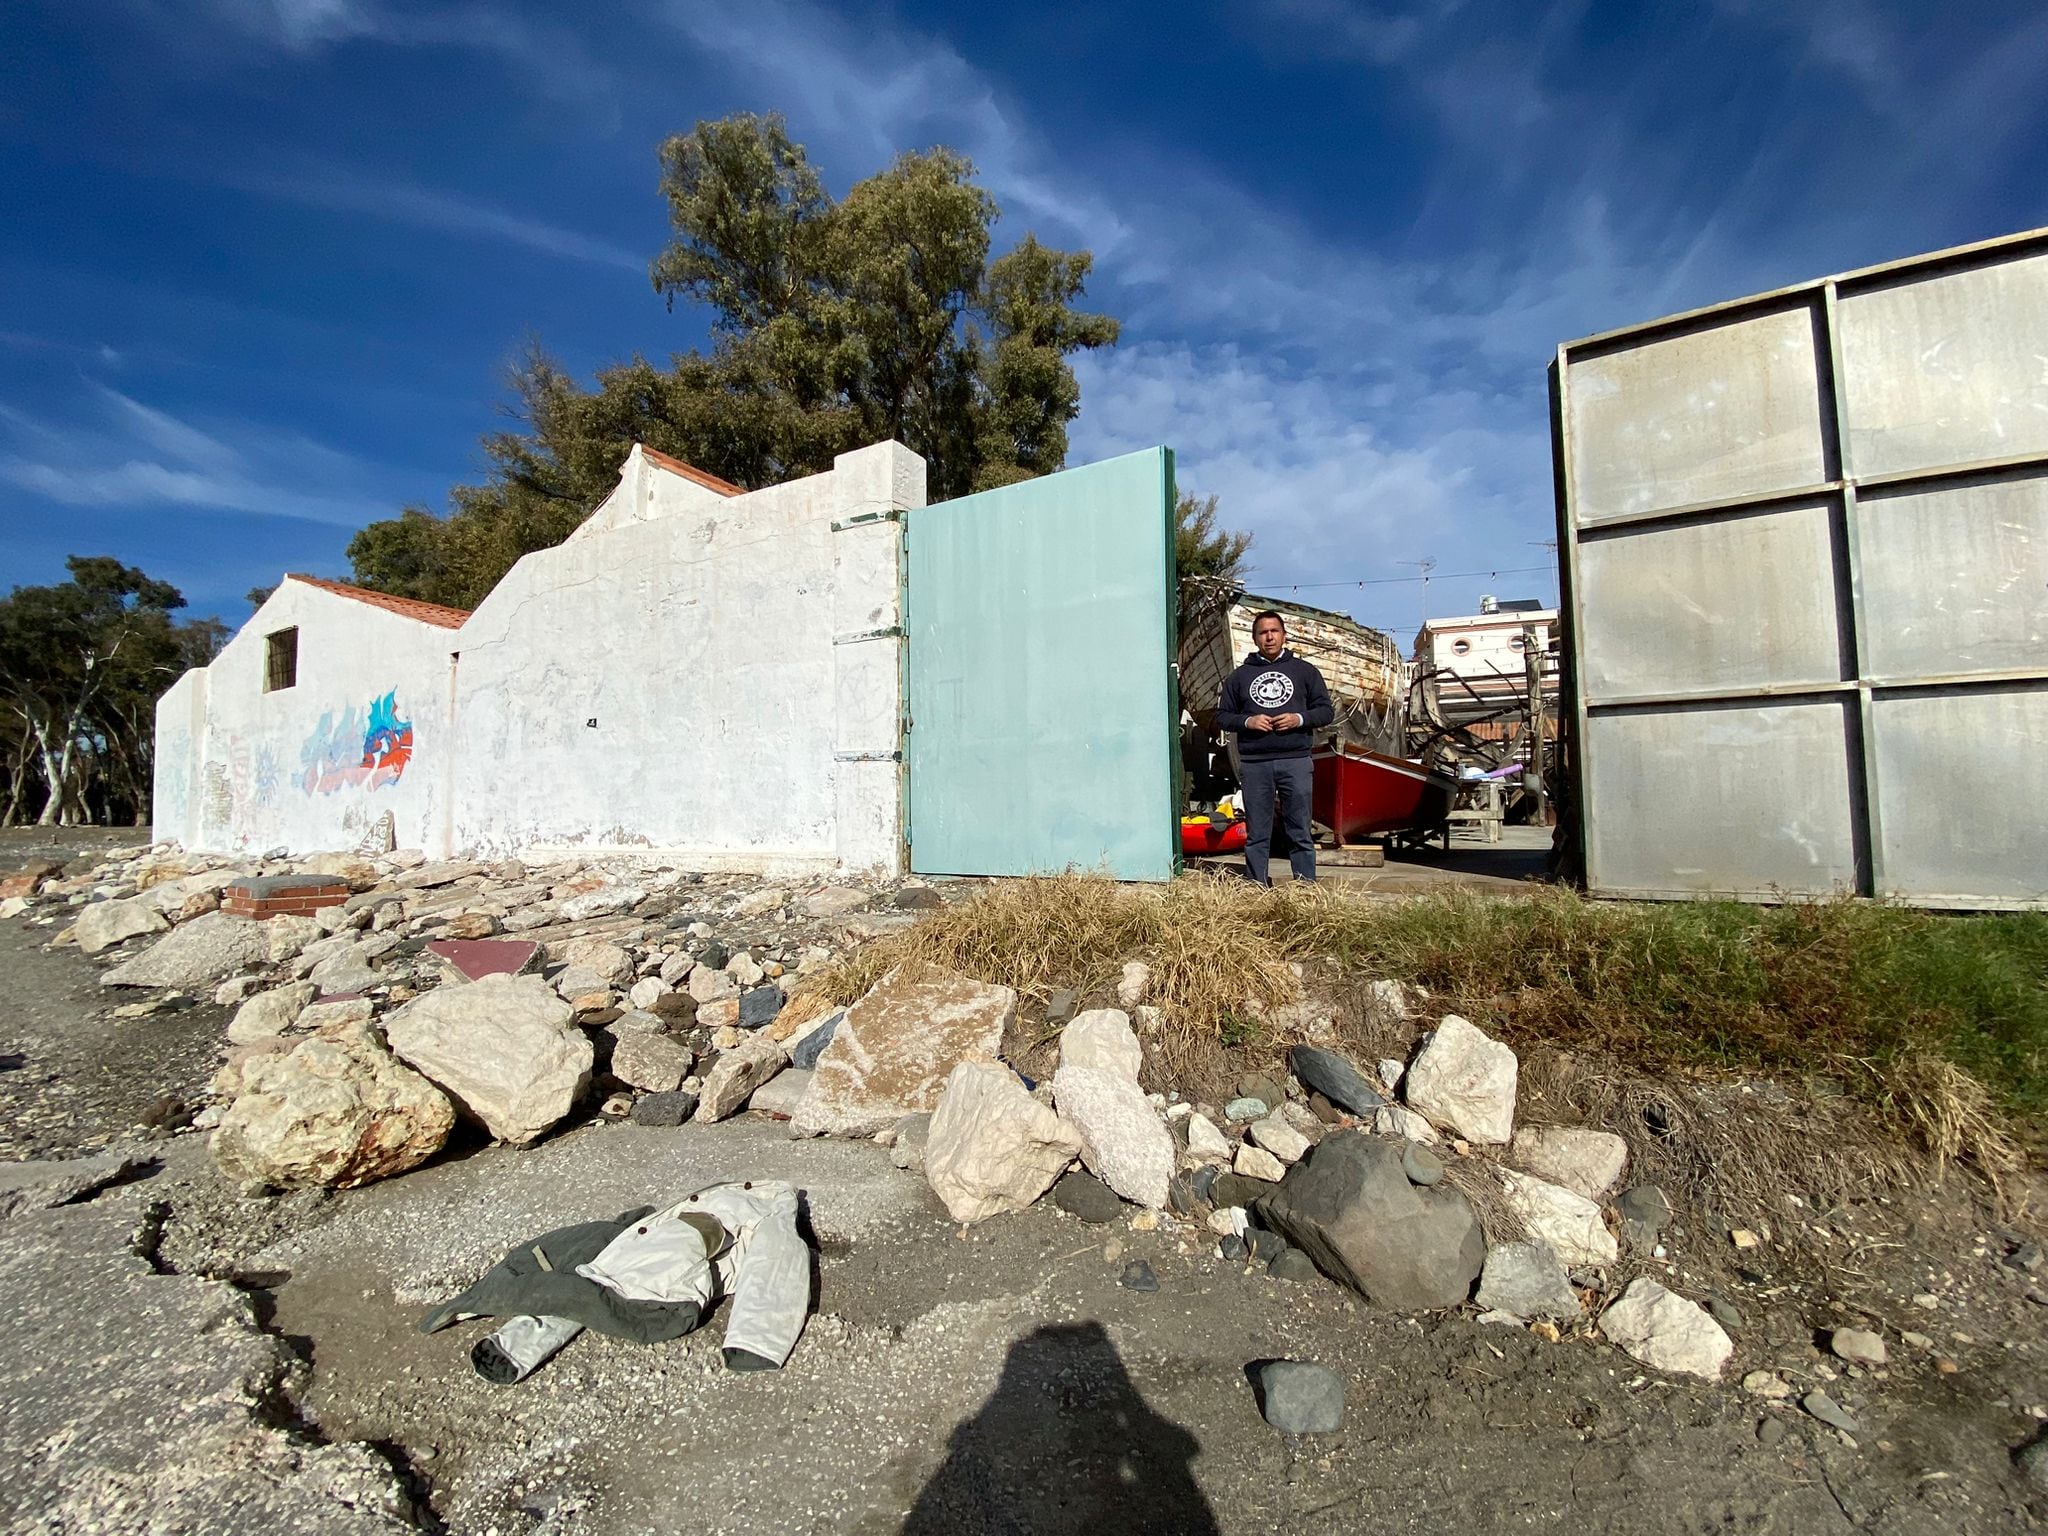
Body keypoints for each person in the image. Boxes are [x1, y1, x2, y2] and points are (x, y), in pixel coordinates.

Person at [1215, 610, 1333, 884]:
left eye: (1274, 631)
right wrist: (1248, 721)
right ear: (1255, 638)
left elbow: (1325, 711)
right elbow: (1222, 717)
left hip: (1296, 760)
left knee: (1300, 828)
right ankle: (1257, 884)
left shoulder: (1305, 671)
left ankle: (1305, 886)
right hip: (1255, 764)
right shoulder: (1240, 677)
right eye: (1262, 632)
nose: (1269, 637)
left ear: (1284, 635)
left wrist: (1298, 718)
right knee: (1257, 831)